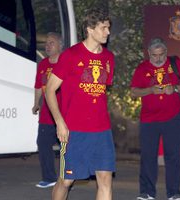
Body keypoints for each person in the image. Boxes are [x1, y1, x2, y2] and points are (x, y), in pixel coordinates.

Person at [45, 8, 116, 200]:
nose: (108, 32)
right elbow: (50, 90)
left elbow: (100, 90)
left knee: (105, 180)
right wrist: (59, 122)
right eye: (103, 28)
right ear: (90, 29)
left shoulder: (109, 58)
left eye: (108, 28)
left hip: (102, 130)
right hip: (74, 130)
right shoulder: (70, 55)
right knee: (66, 181)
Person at [130, 37, 180, 200]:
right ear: (149, 53)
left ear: (166, 52)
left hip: (173, 118)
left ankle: (174, 193)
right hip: (149, 120)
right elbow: (134, 92)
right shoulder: (142, 68)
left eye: (161, 54)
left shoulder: (175, 62)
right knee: (148, 157)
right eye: (154, 55)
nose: (158, 58)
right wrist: (150, 90)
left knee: (173, 156)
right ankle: (147, 192)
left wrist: (176, 88)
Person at [32, 32, 62, 188]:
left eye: (52, 43)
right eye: (47, 43)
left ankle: (70, 176)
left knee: (68, 146)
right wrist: (36, 103)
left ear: (60, 46)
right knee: (43, 143)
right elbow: (38, 86)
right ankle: (49, 178)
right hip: (46, 114)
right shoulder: (43, 64)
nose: (47, 46)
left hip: (64, 114)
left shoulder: (66, 62)